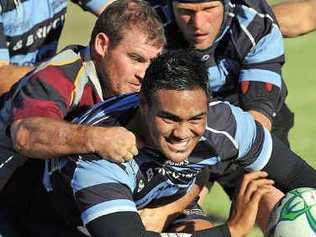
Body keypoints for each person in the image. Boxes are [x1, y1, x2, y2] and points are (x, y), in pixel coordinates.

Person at [36, 49, 316, 237]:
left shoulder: (223, 122)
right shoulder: (99, 159)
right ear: (143, 105)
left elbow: (297, 175)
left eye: (196, 118)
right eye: (169, 118)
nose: (182, 133)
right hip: (70, 225)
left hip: (166, 200)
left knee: (194, 222)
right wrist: (230, 229)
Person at [0, 0, 165, 234]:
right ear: (101, 44)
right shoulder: (60, 75)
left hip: (56, 204)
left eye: (152, 63)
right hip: (11, 202)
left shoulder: (133, 87)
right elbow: (26, 135)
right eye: (136, 58)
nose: (144, 74)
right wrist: (97, 138)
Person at [0, 0, 112, 95]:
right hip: (11, 103)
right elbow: (2, 78)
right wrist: (71, 75)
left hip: (45, 87)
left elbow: (122, 15)